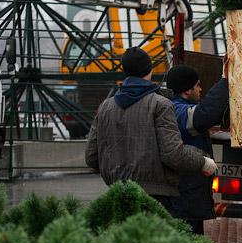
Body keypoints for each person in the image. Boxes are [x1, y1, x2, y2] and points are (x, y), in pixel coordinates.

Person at [84, 47, 217, 212]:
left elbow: (91, 157)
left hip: (117, 194)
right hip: (156, 198)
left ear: (125, 71)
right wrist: (203, 161)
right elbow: (172, 153)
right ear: (150, 70)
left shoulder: (106, 107)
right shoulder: (160, 104)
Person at [166, 65, 230, 234]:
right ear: (187, 90)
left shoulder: (175, 107)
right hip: (184, 195)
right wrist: (224, 81)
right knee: (188, 240)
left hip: (188, 193)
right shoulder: (177, 111)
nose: (201, 89)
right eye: (198, 85)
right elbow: (204, 115)